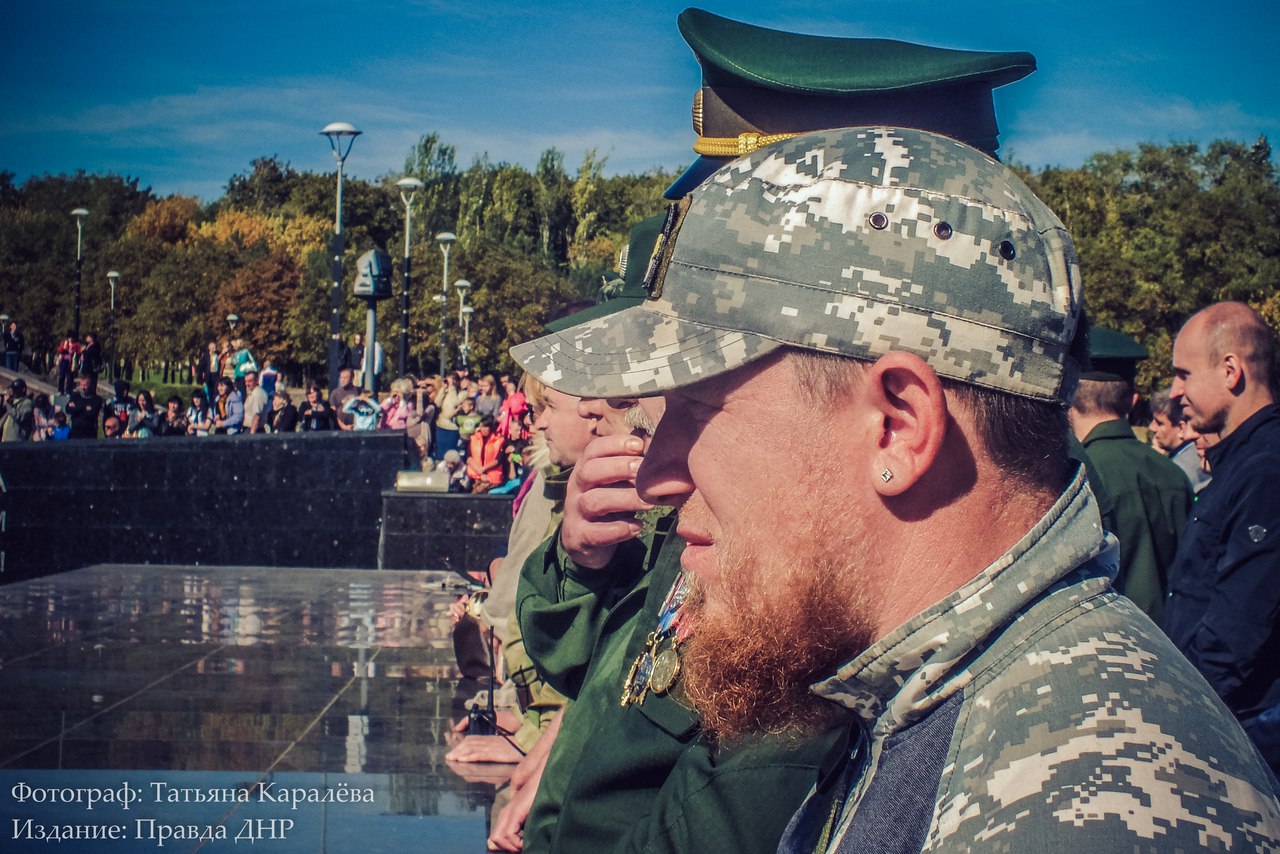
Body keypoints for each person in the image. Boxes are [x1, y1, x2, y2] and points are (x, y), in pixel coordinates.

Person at [512, 127, 1280, 851]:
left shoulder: (1075, 806)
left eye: (699, 409)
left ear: (898, 425)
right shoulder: (934, 701)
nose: (655, 472)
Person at [1164, 301, 1280, 776]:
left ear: (1231, 370)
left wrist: (1182, 717)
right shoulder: (1242, 465)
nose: (1175, 392)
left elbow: (1238, 629)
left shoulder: (1265, 472)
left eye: (1184, 374)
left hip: (1236, 737)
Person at [1068, 328, 1192, 621]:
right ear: (1133, 401)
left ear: (1070, 398)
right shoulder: (1173, 473)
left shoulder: (1077, 478)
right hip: (1173, 646)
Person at [1149, 386, 1212, 492]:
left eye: (1159, 423)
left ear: (1182, 428)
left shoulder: (1178, 470)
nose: (1152, 428)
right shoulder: (1196, 457)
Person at [465, 415, 506, 492]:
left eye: (485, 427)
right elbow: (468, 458)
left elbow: (498, 460)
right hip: (476, 474)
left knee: (479, 489)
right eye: (481, 427)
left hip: (491, 476)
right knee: (475, 488)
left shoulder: (499, 440)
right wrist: (480, 472)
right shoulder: (474, 438)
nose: (483, 430)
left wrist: (483, 469)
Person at [433, 372, 466, 459]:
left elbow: (455, 403)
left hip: (452, 427)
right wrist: (443, 389)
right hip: (441, 426)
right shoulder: (446, 391)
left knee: (450, 454)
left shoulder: (463, 393)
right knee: (440, 453)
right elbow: (437, 403)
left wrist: (452, 388)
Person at [64, 372, 103, 439]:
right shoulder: (75, 396)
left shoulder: (97, 399)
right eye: (81, 385)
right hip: (75, 431)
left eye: (85, 385)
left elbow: (92, 414)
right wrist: (84, 407)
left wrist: (76, 408)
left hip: (89, 432)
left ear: (91, 385)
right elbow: (68, 410)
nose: (83, 388)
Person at [241, 370, 268, 434]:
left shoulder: (258, 394)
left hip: (254, 430)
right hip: (247, 429)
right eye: (246, 381)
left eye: (250, 381)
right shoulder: (251, 393)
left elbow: (256, 417)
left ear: (256, 381)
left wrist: (252, 435)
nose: (247, 384)